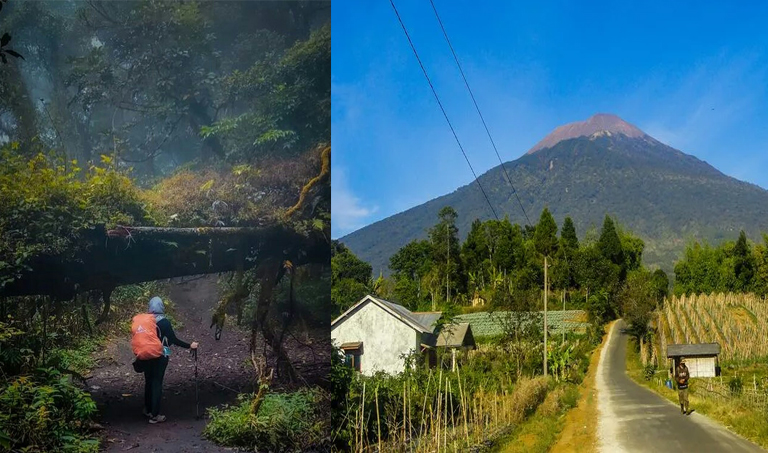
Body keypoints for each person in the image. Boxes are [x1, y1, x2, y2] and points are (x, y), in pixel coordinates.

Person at [142, 296, 198, 424]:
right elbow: (172, 340)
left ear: (150, 307)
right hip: (160, 356)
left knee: (148, 381)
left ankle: (147, 409)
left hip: (146, 356)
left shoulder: (145, 322)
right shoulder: (164, 322)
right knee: (157, 383)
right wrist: (189, 345)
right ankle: (155, 415)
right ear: (161, 307)